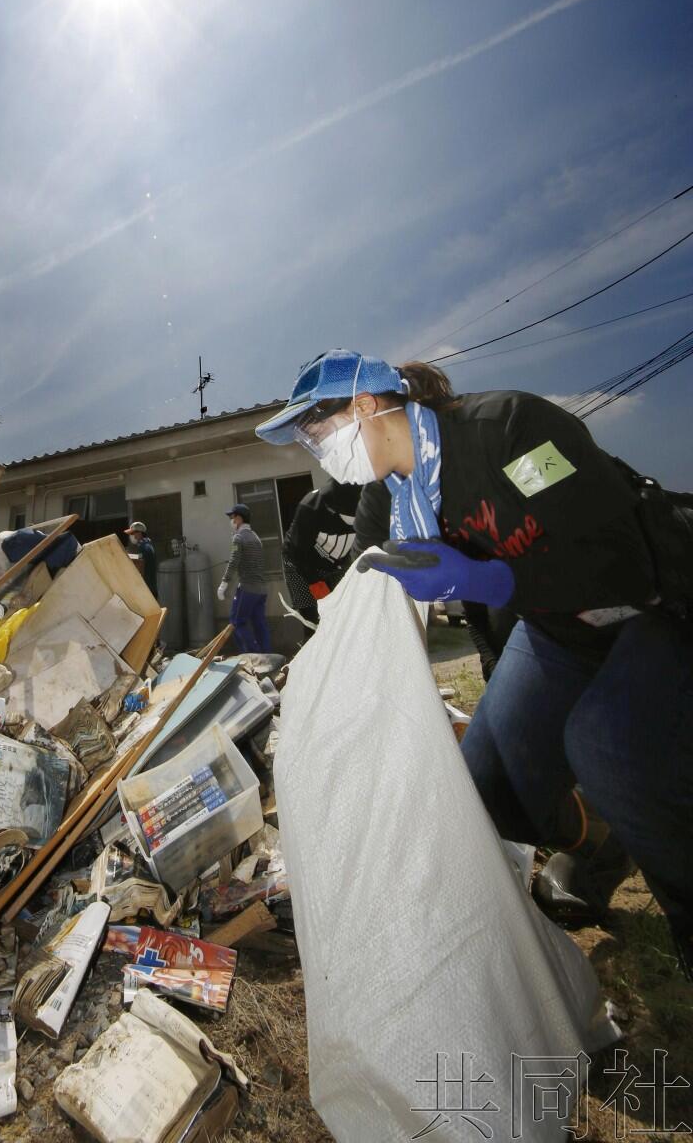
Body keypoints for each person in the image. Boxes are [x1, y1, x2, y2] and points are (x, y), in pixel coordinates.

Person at [257, 348, 693, 974]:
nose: (317, 452)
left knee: (606, 745)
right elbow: (365, 600)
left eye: (317, 432)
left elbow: (619, 559)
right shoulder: (388, 503)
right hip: (558, 632)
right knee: (488, 790)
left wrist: (489, 581)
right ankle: (600, 839)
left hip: (653, 606)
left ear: (363, 405)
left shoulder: (511, 431)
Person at [282, 479, 361, 625]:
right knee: (316, 620)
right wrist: (317, 586)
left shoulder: (371, 506)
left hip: (336, 565)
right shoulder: (311, 507)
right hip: (298, 562)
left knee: (344, 615)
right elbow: (299, 554)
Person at [218, 503, 272, 653]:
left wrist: (224, 584)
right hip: (261, 590)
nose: (231, 521)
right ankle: (267, 657)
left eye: (232, 517)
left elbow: (234, 561)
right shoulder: (256, 538)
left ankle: (252, 656)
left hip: (247, 588)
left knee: (237, 623)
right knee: (259, 623)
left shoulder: (239, 538)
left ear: (239, 518)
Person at [124, 520, 157, 597]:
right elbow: (141, 558)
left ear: (139, 533)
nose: (132, 536)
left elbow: (142, 564)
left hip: (147, 589)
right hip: (150, 587)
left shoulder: (145, 547)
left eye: (132, 533)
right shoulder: (146, 545)